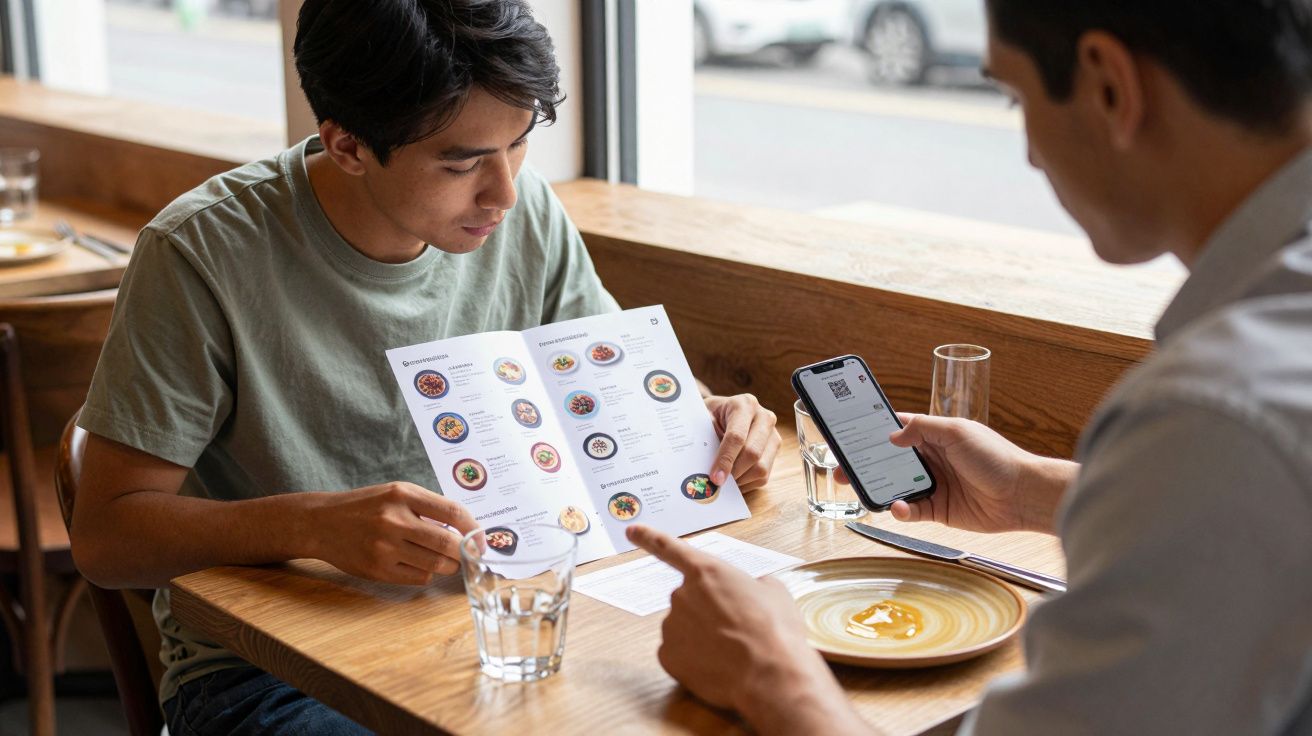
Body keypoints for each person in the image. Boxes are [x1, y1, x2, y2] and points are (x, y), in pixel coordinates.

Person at [68, 1, 779, 734]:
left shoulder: (523, 210)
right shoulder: (202, 252)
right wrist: (311, 527)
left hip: (499, 624)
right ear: (346, 145)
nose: (503, 192)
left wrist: (708, 413)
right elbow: (107, 540)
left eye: (520, 143)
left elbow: (607, 378)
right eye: (462, 161)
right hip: (268, 675)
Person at [629, 0, 1312, 733]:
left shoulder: (1212, 414)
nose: (1028, 153)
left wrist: (769, 669)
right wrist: (1028, 491)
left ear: (1110, 86)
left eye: (1014, 97)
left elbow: (1227, 470)